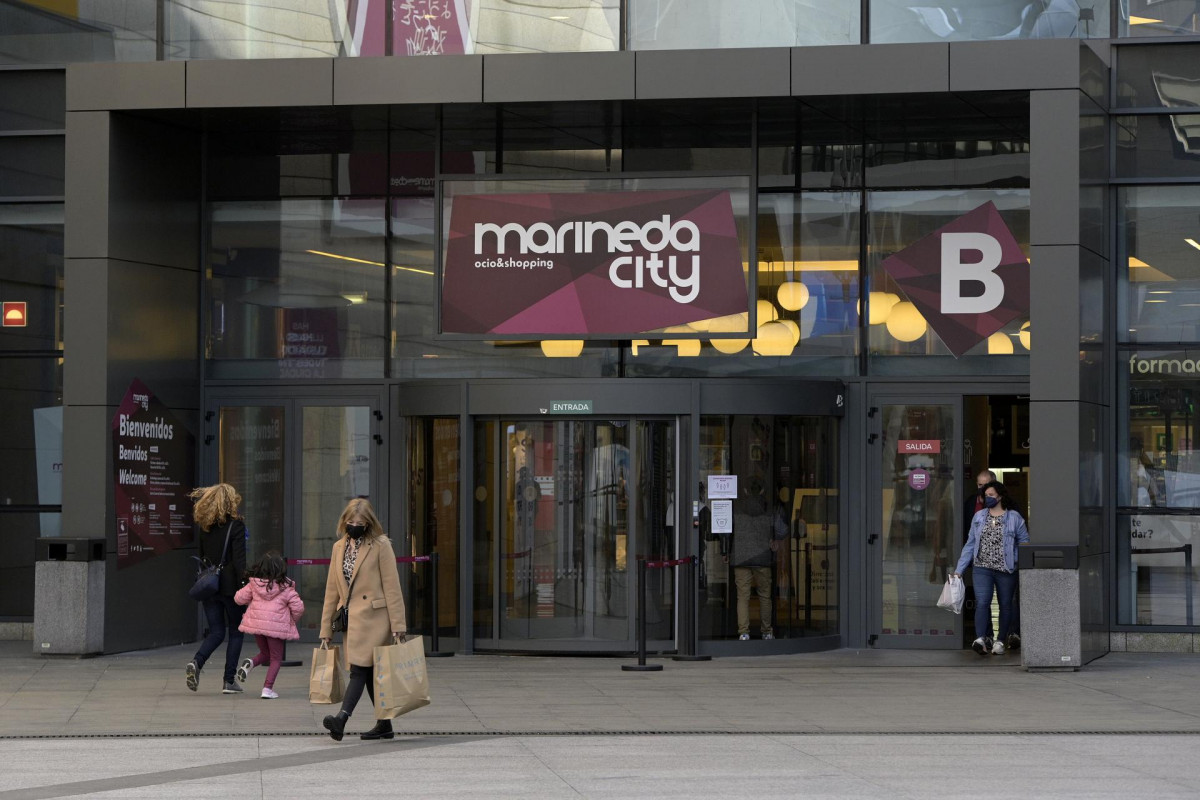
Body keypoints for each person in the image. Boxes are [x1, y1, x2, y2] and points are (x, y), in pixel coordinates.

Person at [319, 498, 407, 742]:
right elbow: (331, 590)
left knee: (359, 670)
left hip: (376, 619)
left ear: (368, 523)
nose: (354, 525)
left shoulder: (380, 545)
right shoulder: (339, 547)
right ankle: (384, 725)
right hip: (351, 620)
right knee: (367, 673)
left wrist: (399, 626)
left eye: (359, 522)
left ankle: (341, 719)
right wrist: (326, 627)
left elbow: (392, 587)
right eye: (350, 521)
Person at [952, 480, 1029, 656]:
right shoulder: (979, 517)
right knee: (982, 602)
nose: (988, 498)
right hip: (982, 567)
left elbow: (1024, 542)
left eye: (991, 495)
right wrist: (959, 569)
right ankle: (981, 639)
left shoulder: (1014, 518)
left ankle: (1001, 640)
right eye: (986, 495)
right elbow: (970, 544)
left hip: (1006, 569)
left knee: (1006, 605)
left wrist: (1018, 562)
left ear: (1000, 496)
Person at [185, 483, 248, 694]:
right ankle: (229, 680)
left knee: (216, 631)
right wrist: (245, 587)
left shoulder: (204, 527)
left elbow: (202, 559)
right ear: (231, 501)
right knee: (236, 632)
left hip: (210, 586)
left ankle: (197, 662)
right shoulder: (236, 525)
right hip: (230, 588)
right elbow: (240, 561)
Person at [233, 552, 304, 699]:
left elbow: (238, 598)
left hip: (257, 625)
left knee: (265, 654)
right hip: (276, 629)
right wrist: (291, 620)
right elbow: (298, 608)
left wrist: (250, 599)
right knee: (276, 658)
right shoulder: (286, 587)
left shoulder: (254, 584)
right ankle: (267, 689)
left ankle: (251, 663)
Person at [729, 478, 788, 641]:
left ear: (746, 491)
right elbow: (782, 530)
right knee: (764, 596)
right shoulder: (771, 509)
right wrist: (774, 539)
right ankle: (767, 631)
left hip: (741, 557)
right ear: (763, 491)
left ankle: (744, 632)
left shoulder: (737, 508)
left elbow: (727, 530)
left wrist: (726, 551)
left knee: (743, 596)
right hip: (763, 557)